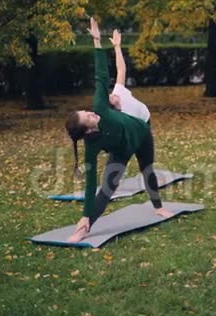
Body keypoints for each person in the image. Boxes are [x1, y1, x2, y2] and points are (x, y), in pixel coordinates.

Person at [65, 18, 172, 243]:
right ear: (87, 131)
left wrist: (97, 41)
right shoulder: (91, 145)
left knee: (147, 170)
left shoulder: (101, 105)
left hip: (142, 134)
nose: (93, 113)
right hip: (121, 150)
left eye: (88, 111)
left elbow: (101, 75)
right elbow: (90, 183)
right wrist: (85, 214)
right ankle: (85, 226)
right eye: (89, 117)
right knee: (107, 188)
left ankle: (158, 207)